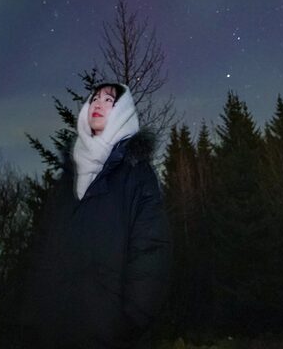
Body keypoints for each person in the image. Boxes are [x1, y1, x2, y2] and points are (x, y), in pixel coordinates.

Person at [19, 82, 171, 348]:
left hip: (108, 333)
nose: (98, 104)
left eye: (109, 101)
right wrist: (31, 318)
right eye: (94, 99)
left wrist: (128, 321)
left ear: (122, 112)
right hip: (52, 332)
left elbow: (151, 250)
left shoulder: (137, 174)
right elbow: (41, 249)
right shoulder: (66, 180)